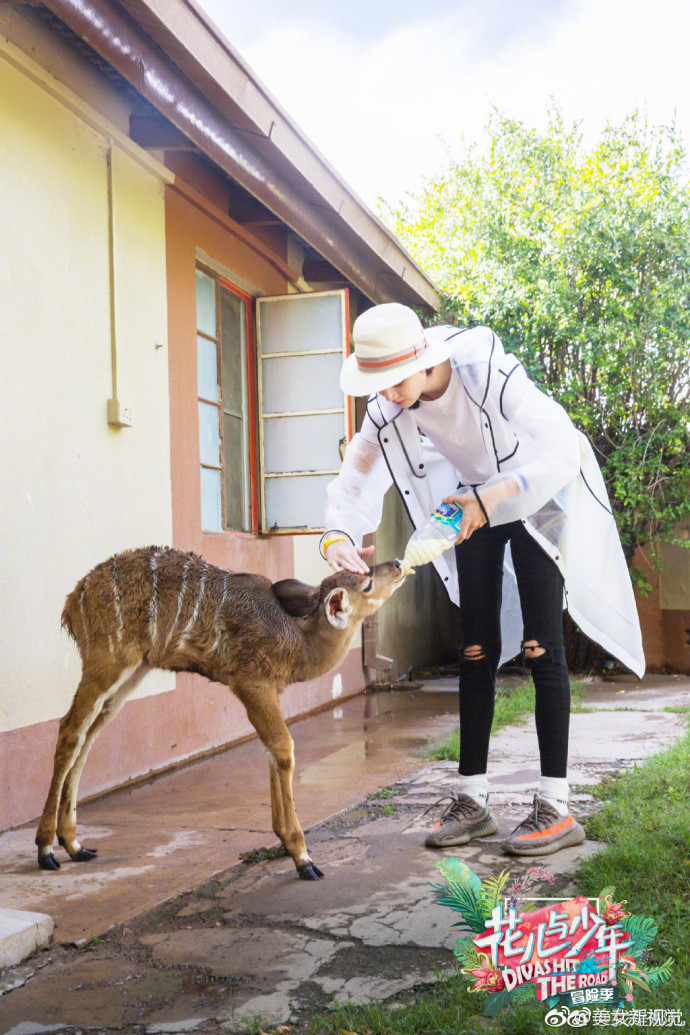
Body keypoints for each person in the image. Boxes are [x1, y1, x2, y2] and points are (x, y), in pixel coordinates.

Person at [320, 303, 644, 857]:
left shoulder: (485, 369)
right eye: (377, 383)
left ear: (424, 361)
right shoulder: (388, 407)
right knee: (475, 650)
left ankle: (556, 807)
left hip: (534, 493)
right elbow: (354, 483)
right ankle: (472, 801)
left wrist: (490, 499)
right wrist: (338, 539)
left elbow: (562, 446)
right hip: (468, 500)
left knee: (542, 649)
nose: (388, 393)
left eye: (394, 380)